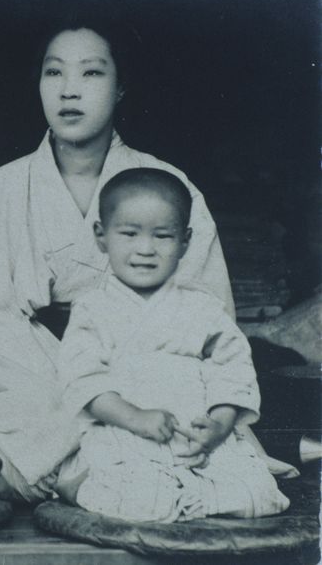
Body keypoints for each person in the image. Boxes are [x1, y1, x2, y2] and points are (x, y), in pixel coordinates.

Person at [0, 18, 235, 502]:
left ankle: (28, 467)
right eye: (54, 73)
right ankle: (78, 463)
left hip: (137, 389)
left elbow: (205, 316)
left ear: (121, 86)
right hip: (26, 389)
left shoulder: (168, 187)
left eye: (91, 74)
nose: (70, 91)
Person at [54, 168, 289, 522]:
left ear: (185, 241)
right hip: (127, 435)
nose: (145, 249)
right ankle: (88, 485)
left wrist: (220, 424)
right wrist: (135, 418)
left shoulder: (203, 308)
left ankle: (196, 497)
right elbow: (83, 380)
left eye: (163, 236)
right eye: (129, 234)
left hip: (197, 438)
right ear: (101, 236)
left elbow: (233, 369)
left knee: (258, 496)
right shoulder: (93, 309)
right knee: (140, 500)